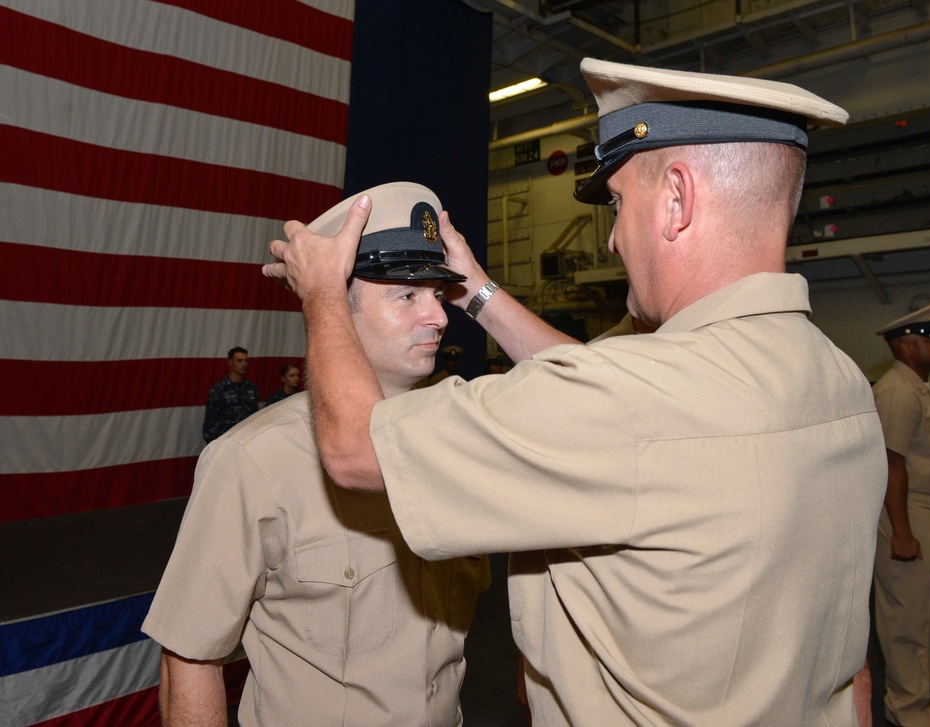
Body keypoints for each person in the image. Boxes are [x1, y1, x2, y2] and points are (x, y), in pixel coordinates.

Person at [265, 59, 886, 725]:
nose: (614, 236)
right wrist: (476, 291)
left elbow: (357, 448)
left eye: (618, 203)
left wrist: (325, 293)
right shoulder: (840, 380)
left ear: (677, 198)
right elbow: (609, 394)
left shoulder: (631, 403)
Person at [143, 182, 490, 727]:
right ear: (338, 307)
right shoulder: (253, 459)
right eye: (406, 295)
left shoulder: (459, 433)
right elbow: (190, 654)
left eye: (437, 293)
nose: (440, 317)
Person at [871, 304, 930, 727]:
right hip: (911, 514)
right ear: (907, 347)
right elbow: (891, 465)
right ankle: (907, 712)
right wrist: (901, 533)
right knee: (906, 618)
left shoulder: (924, 388)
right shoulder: (897, 391)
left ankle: (925, 701)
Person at [202, 346, 259, 443]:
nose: (244, 364)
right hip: (226, 443)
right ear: (230, 362)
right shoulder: (219, 389)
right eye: (239, 361)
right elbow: (210, 425)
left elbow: (255, 418)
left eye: (246, 361)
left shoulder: (251, 388)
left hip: (247, 442)